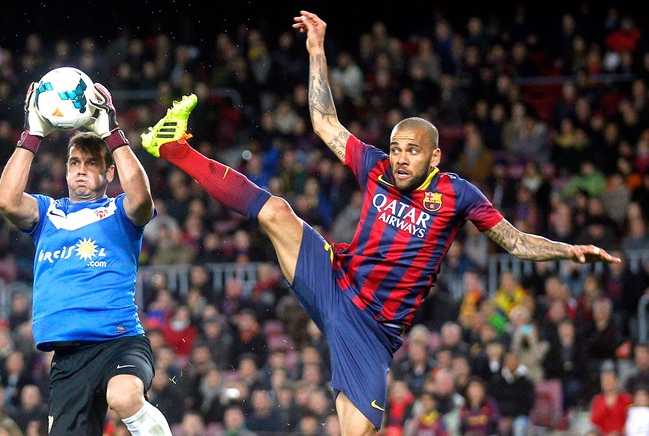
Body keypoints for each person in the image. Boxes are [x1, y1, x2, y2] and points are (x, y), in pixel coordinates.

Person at [138, 11, 621, 435]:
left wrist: (568, 249)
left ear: (435, 154)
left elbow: (514, 242)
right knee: (277, 211)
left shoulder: (457, 194)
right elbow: (325, 121)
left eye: (411, 150)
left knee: (360, 431)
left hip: (373, 330)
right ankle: (173, 147)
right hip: (334, 279)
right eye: (395, 147)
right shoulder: (373, 166)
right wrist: (317, 50)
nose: (400, 157)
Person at [0, 81, 172, 434]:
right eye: (74, 162)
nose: (80, 169)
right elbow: (7, 201)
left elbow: (141, 200)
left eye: (92, 163)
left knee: (123, 397)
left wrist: (113, 134)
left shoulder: (119, 211)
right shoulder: (48, 213)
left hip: (118, 340)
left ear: (109, 174)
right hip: (67, 358)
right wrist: (32, 134)